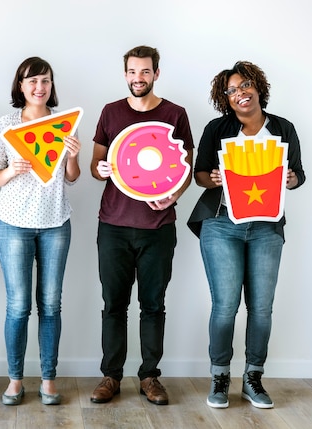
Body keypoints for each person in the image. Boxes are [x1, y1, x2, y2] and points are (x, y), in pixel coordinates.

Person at [187, 61, 305, 409]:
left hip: (267, 226)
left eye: (246, 85)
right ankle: (220, 376)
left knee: (262, 308)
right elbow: (200, 176)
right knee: (225, 307)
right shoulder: (216, 128)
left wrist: (290, 180)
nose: (241, 93)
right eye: (233, 90)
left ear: (258, 87)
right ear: (225, 98)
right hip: (222, 223)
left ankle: (253, 377)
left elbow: (298, 173)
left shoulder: (283, 128)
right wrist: (215, 178)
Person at [89, 46, 194, 405]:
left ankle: (150, 376)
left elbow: (186, 171)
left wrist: (173, 197)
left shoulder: (175, 114)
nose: (138, 78)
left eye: (145, 72)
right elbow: (95, 165)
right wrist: (100, 168)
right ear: (125, 74)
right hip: (114, 225)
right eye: (132, 72)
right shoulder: (110, 112)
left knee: (153, 305)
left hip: (158, 226)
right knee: (113, 304)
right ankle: (110, 376)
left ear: (156, 74)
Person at [0, 57, 81, 406]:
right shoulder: (7, 124)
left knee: (51, 305)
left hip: (56, 222)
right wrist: (12, 170)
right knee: (18, 306)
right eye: (32, 81)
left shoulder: (64, 123)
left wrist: (72, 155)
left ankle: (48, 379)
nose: (39, 87)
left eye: (45, 81)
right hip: (13, 224)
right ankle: (15, 380)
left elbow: (72, 177)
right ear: (21, 86)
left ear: (51, 85)